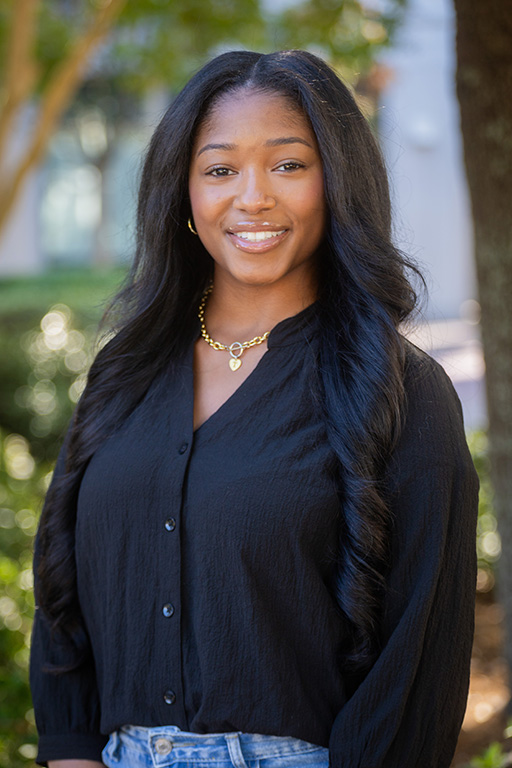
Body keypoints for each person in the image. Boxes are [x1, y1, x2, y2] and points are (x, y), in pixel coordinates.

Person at [30, 49, 479, 768]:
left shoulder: (404, 392)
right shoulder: (125, 373)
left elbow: (416, 661)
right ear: (183, 194)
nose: (252, 197)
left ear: (337, 183)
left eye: (288, 165)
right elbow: (61, 594)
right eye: (219, 169)